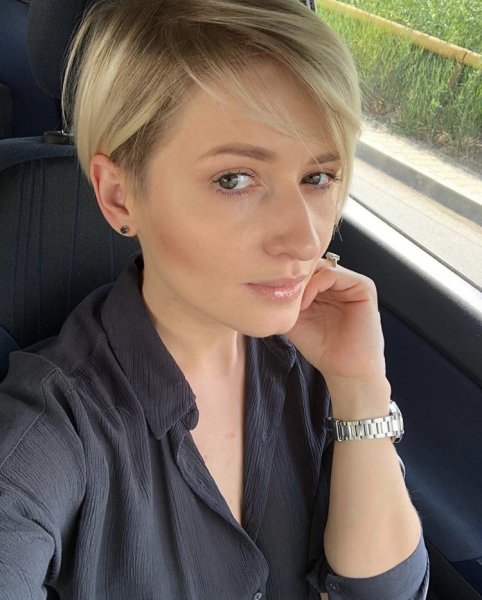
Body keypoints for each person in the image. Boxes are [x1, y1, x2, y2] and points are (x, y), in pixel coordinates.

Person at [0, 0, 429, 597]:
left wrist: (360, 388)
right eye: (235, 179)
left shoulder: (316, 370)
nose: (306, 239)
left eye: (318, 177)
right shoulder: (52, 426)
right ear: (120, 196)